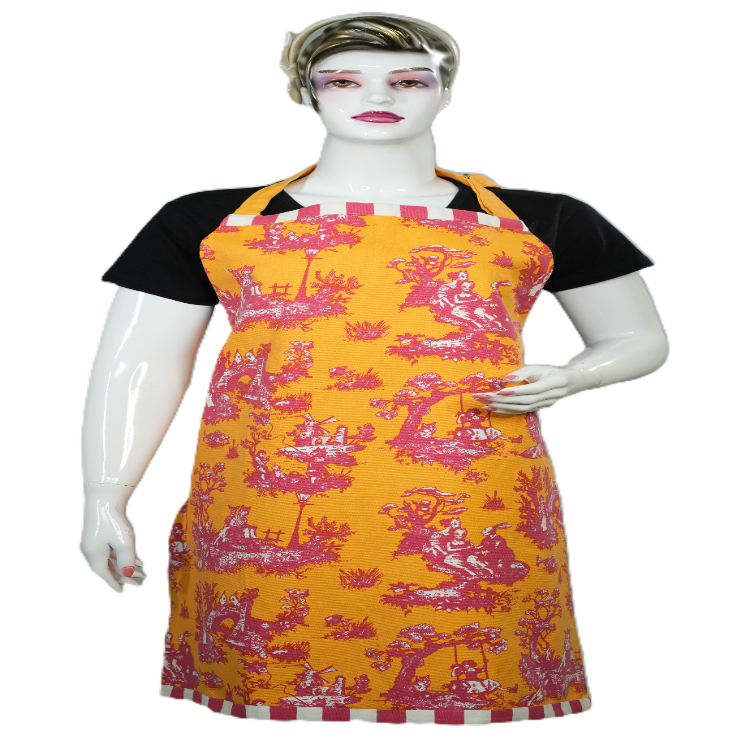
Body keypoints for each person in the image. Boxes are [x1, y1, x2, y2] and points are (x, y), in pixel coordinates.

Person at [82, 12, 668, 724]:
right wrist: (106, 494)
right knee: (272, 664)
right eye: (343, 81)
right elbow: (141, 361)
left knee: (477, 657)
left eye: (409, 80)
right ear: (308, 92)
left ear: (445, 90)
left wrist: (576, 376)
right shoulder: (207, 220)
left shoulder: (544, 219)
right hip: (272, 491)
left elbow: (638, 337)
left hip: (474, 493)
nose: (377, 95)